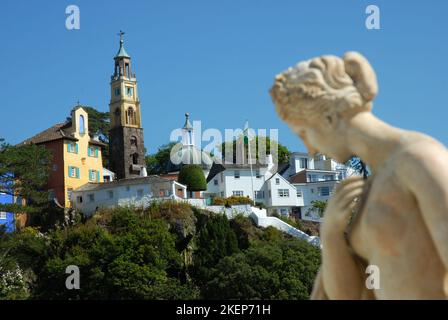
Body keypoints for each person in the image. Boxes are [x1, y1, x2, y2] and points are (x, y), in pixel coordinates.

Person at [270, 52, 448, 299]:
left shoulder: (420, 159)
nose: (309, 148)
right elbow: (350, 295)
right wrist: (331, 234)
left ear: (329, 118)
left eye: (304, 133)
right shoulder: (370, 187)